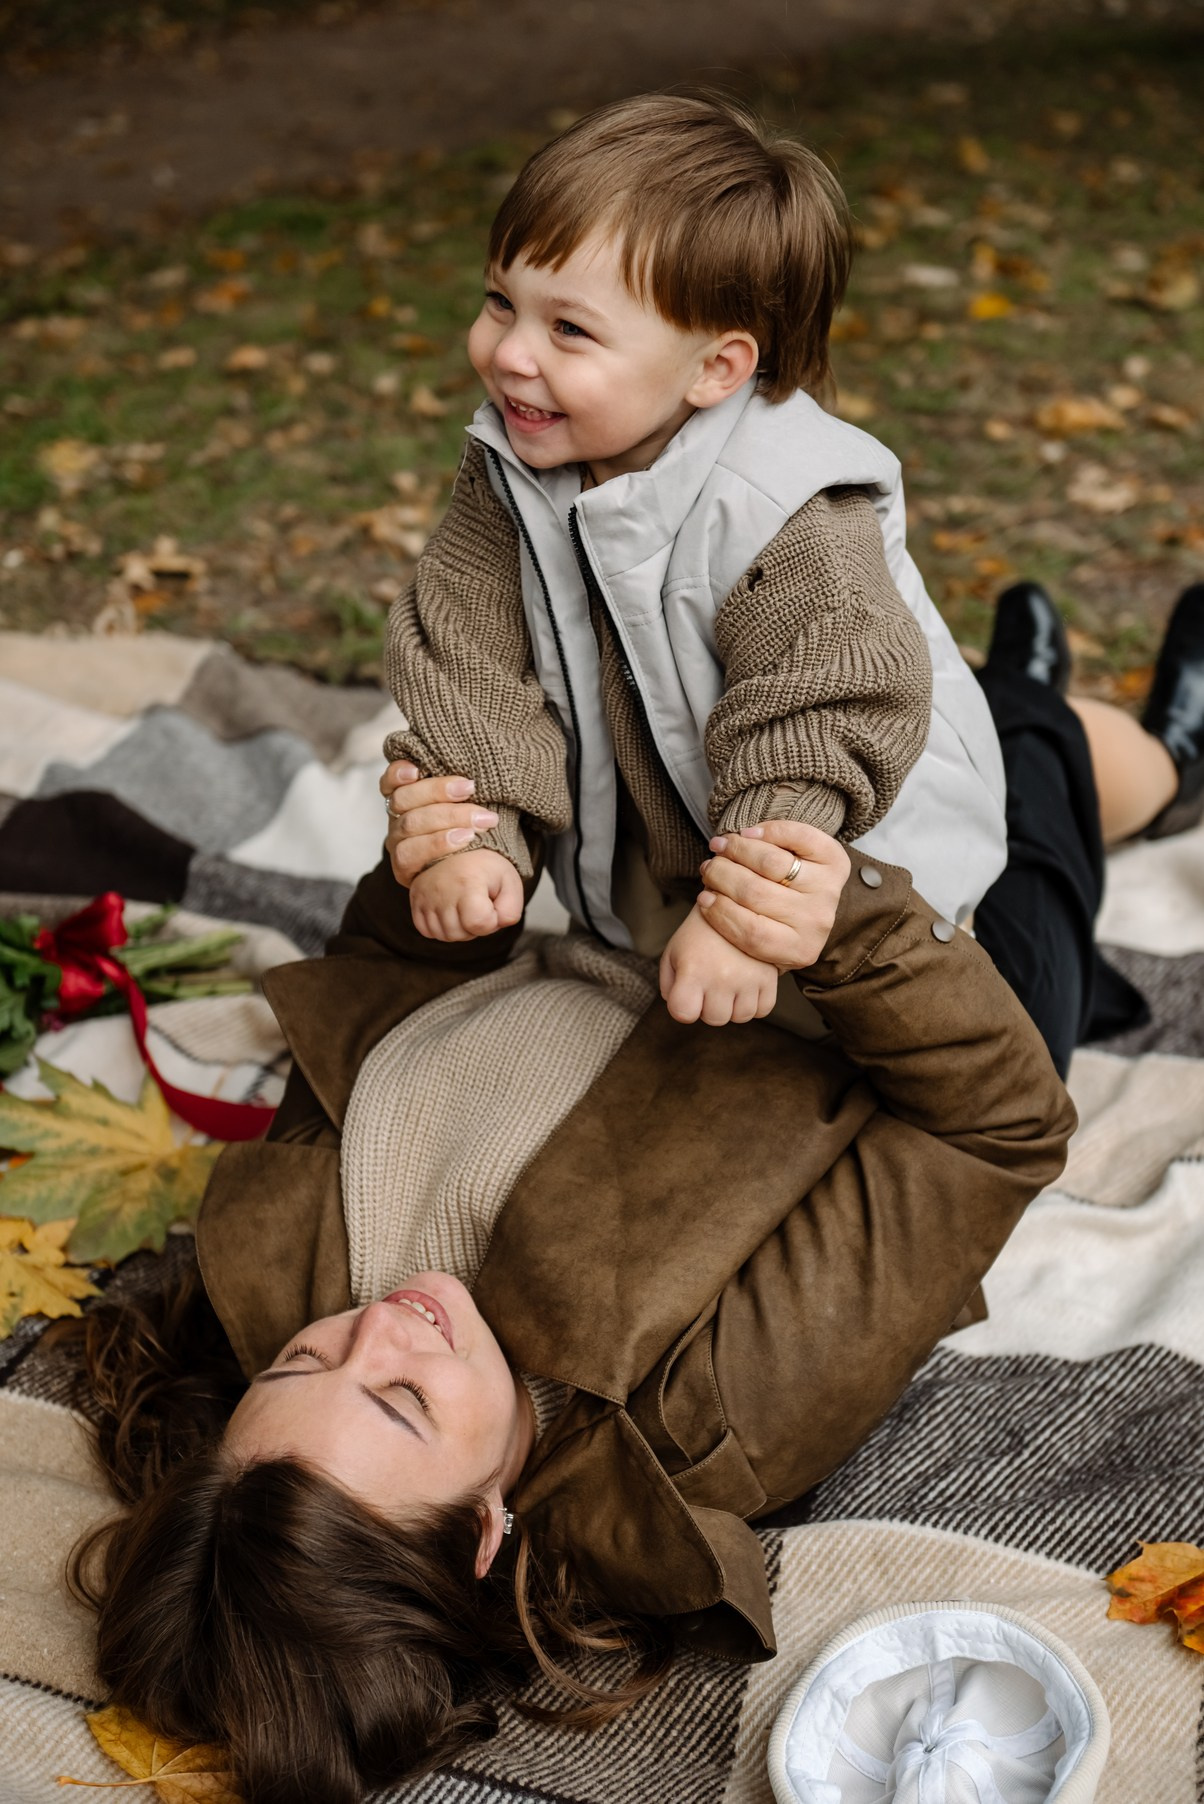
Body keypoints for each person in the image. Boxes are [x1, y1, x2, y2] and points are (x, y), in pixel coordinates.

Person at [68, 576, 1204, 1804]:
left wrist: (441, 861)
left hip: (648, 914)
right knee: (1026, 778)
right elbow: (995, 1130)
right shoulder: (707, 1411)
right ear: (488, 1528)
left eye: (299, 1361)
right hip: (914, 1015)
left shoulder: (275, 1261)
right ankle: (1145, 747)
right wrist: (850, 925)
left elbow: (382, 988)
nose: (380, 1325)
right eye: (400, 1401)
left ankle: (1040, 701)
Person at [383, 92, 1007, 1032]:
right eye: (501, 301)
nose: (508, 353)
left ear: (714, 370)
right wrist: (480, 829)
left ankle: (1102, 739)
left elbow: (826, 706)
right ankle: (1040, 697)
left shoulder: (784, 513)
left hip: (872, 849)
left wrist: (746, 915)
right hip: (678, 801)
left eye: (569, 330)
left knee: (1038, 979)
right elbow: (465, 644)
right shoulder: (514, 466)